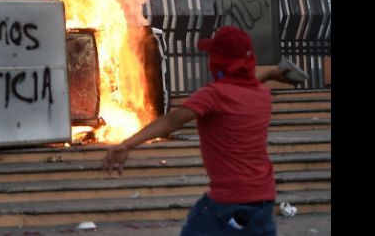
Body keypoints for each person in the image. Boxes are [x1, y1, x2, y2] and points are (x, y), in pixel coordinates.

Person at [101, 25, 297, 235]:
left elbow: (172, 120)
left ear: (218, 62)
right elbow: (242, 88)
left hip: (228, 202)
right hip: (263, 199)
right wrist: (267, 74)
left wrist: (127, 144)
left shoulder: (213, 95)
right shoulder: (261, 96)